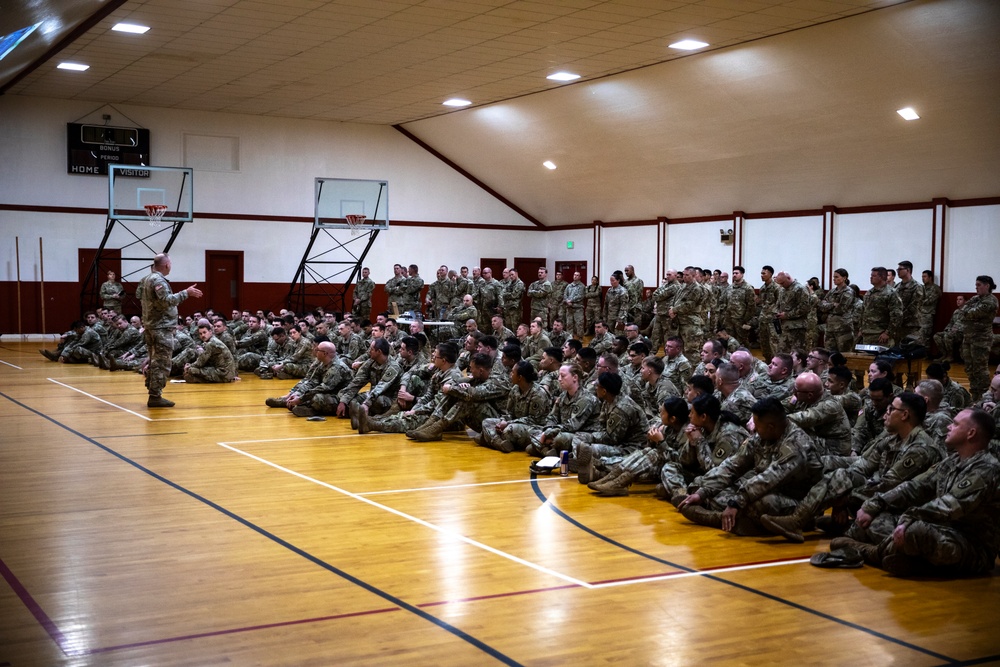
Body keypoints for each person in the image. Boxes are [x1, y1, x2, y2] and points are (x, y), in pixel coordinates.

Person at [828, 408, 1000, 577]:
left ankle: (870, 552)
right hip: (941, 531)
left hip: (972, 546)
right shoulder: (953, 461)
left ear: (970, 433)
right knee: (879, 519)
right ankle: (916, 563)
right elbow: (915, 486)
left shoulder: (986, 468)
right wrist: (875, 504)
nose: (949, 427)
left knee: (914, 530)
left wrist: (909, 518)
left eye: (955, 424)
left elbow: (949, 505)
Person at [763, 391, 940, 543]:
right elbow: (862, 466)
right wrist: (842, 494)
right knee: (840, 474)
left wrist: (846, 499)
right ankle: (798, 520)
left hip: (902, 506)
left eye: (891, 409)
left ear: (905, 415)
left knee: (877, 528)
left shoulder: (920, 448)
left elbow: (889, 484)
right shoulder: (891, 439)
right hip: (878, 497)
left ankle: (844, 529)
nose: (886, 413)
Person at [677, 397, 823, 535]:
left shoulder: (796, 444)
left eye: (757, 426)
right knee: (718, 493)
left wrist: (736, 502)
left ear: (771, 426)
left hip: (799, 501)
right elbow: (732, 465)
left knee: (762, 503)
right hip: (766, 489)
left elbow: (769, 479)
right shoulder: (762, 437)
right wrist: (703, 492)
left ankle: (718, 519)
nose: (754, 430)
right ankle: (740, 521)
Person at [135, 254, 203, 407]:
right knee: (162, 363)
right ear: (166, 265)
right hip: (161, 328)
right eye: (170, 263)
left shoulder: (145, 279)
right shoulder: (159, 281)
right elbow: (167, 301)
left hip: (151, 326)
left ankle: (152, 390)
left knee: (154, 361)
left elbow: (139, 295)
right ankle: (155, 396)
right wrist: (187, 293)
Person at [477, 360, 552, 452]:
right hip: (515, 423)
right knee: (487, 422)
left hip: (535, 428)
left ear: (520, 377)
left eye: (513, 372)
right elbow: (509, 413)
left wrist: (508, 423)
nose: (510, 374)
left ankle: (488, 439)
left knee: (509, 430)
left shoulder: (538, 393)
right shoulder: (515, 389)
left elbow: (534, 420)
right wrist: (503, 422)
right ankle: (499, 443)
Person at [961, 275, 998, 400]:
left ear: (987, 285)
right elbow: (963, 310)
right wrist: (967, 311)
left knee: (980, 369)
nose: (976, 287)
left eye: (979, 285)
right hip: (968, 338)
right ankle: (975, 395)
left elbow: (972, 313)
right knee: (970, 368)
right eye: (976, 285)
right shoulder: (975, 299)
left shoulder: (991, 301)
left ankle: (984, 397)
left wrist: (967, 311)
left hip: (981, 340)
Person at [859, 266, 902, 346]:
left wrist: (888, 333)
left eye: (874, 276)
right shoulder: (869, 293)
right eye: (871, 276)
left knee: (881, 358)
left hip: (881, 335)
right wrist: (861, 329)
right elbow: (863, 312)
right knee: (865, 358)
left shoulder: (891, 293)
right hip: (867, 334)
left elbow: (896, 316)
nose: (871, 278)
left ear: (882, 277)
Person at [820, 268, 855, 353]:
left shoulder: (848, 292)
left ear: (844, 278)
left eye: (836, 277)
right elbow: (821, 306)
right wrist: (832, 304)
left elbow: (840, 309)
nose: (834, 279)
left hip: (843, 328)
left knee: (844, 354)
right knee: (829, 354)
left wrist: (828, 307)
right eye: (833, 277)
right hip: (830, 328)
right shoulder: (832, 291)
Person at [774, 271, 810, 353]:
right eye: (780, 284)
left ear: (788, 278)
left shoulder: (800, 289)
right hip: (784, 327)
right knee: (783, 352)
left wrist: (787, 315)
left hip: (796, 327)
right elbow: (778, 304)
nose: (781, 285)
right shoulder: (782, 289)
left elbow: (804, 308)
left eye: (782, 283)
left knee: (796, 353)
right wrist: (777, 313)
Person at [757, 265, 782, 363]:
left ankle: (777, 362)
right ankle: (768, 362)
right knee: (764, 343)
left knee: (774, 343)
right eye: (761, 273)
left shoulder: (777, 288)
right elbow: (762, 304)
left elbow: (780, 304)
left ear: (770, 274)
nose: (762, 275)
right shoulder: (763, 288)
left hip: (773, 320)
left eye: (764, 273)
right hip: (763, 319)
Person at [932, 295, 965, 362]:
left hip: (961, 333)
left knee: (947, 336)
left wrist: (957, 330)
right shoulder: (956, 311)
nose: (958, 301)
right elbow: (951, 322)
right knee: (937, 336)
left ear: (965, 301)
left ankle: (950, 356)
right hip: (952, 331)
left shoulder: (968, 312)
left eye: (960, 299)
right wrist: (947, 329)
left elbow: (967, 324)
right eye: (957, 299)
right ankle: (944, 354)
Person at [918, 269, 942, 347]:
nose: (923, 278)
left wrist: (919, 300)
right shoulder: (922, 288)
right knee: (918, 336)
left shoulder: (935, 288)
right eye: (922, 276)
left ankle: (925, 354)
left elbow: (928, 301)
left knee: (925, 336)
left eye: (925, 276)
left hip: (927, 315)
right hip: (919, 315)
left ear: (930, 277)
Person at [563, 271, 586, 339]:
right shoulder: (569, 286)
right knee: (569, 324)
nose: (575, 276)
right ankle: (569, 338)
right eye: (574, 275)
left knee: (579, 324)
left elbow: (580, 296)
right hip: (569, 308)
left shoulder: (582, 286)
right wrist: (567, 301)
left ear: (579, 277)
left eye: (577, 275)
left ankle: (580, 338)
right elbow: (565, 294)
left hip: (578, 308)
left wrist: (571, 300)